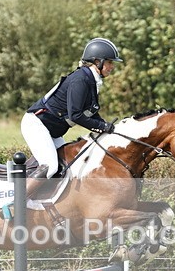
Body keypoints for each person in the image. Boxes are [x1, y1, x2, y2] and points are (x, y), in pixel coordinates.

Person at [20, 37, 122, 198]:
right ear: (97, 61)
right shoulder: (81, 79)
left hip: (52, 131)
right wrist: (102, 127)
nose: (112, 66)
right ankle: (15, 202)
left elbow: (90, 112)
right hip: (36, 125)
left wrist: (108, 127)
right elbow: (76, 115)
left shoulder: (91, 79)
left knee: (67, 165)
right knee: (51, 166)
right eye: (109, 62)